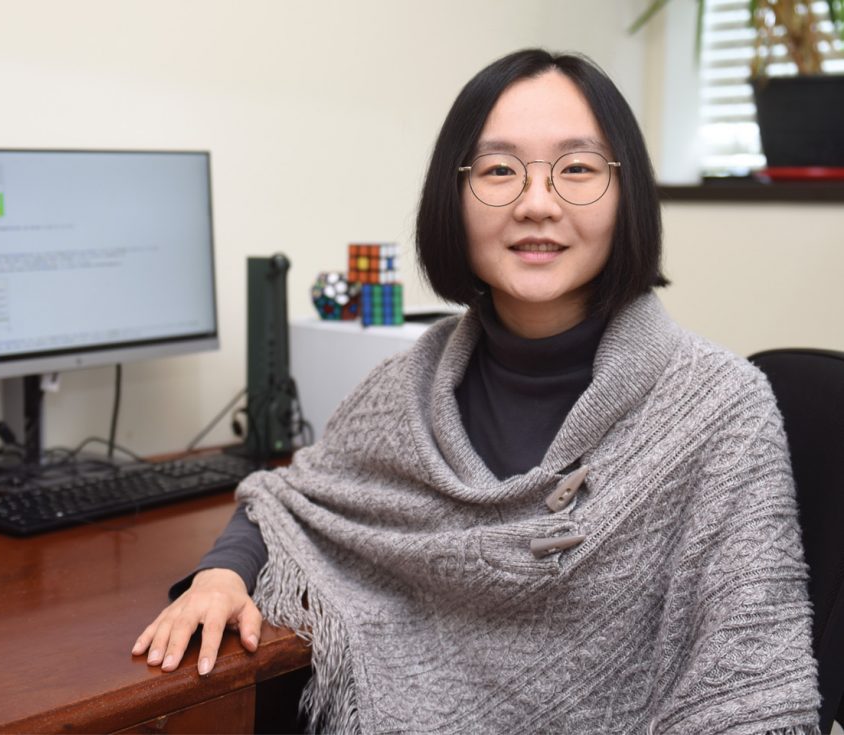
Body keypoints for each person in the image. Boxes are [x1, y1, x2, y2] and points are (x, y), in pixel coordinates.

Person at [132, 49, 820, 733]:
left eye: (577, 169)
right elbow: (293, 501)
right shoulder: (406, 387)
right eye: (499, 170)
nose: (537, 203)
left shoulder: (723, 411)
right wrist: (220, 575)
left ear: (626, 192)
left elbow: (750, 687)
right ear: (453, 199)